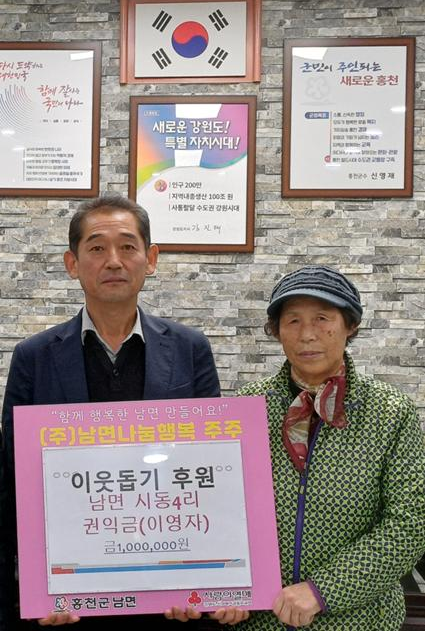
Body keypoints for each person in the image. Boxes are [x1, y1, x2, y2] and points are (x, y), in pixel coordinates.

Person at [1, 193, 220, 629]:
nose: (114, 261)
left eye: (128, 246)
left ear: (150, 259)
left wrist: (207, 582)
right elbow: (14, 478)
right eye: (97, 248)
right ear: (72, 263)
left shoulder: (190, 349)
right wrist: (30, 589)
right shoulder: (34, 356)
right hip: (71, 596)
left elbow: (212, 467)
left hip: (168, 588)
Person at [169, 264, 425, 630]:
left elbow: (410, 524)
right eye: (292, 321)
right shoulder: (245, 409)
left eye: (322, 318)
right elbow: (214, 509)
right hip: (261, 621)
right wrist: (219, 589)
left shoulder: (390, 413)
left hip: (358, 619)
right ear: (276, 331)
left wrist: (324, 590)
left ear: (350, 325)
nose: (307, 335)